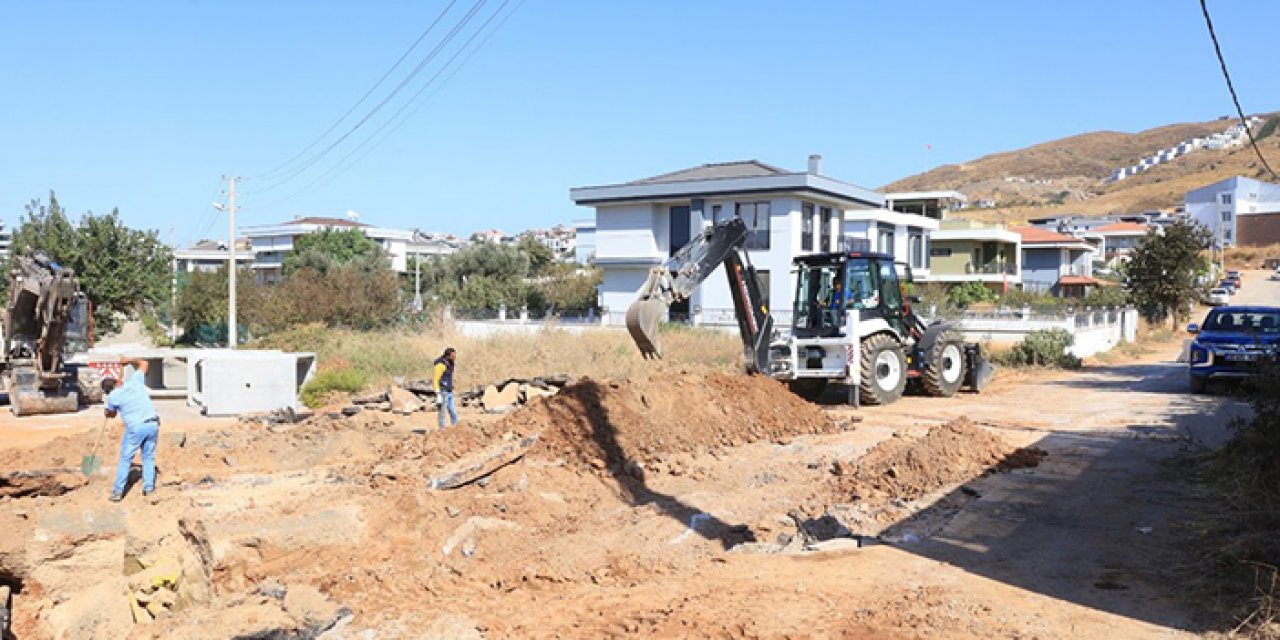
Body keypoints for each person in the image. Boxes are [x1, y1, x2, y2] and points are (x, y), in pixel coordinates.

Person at [103, 357, 160, 502]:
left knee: (125, 459)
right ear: (118, 382)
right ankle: (149, 488)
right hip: (152, 424)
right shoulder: (135, 382)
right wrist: (129, 360)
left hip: (136, 428)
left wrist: (107, 412)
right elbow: (144, 363)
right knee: (148, 457)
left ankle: (117, 492)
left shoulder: (113, 397)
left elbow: (113, 414)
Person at [432, 347, 458, 429]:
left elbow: (447, 376)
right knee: (442, 412)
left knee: (453, 412)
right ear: (447, 356)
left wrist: (451, 385)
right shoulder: (440, 365)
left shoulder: (450, 363)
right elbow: (436, 379)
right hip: (443, 392)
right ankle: (442, 429)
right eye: (453, 356)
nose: (455, 357)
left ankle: (456, 428)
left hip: (449, 391)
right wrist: (437, 393)